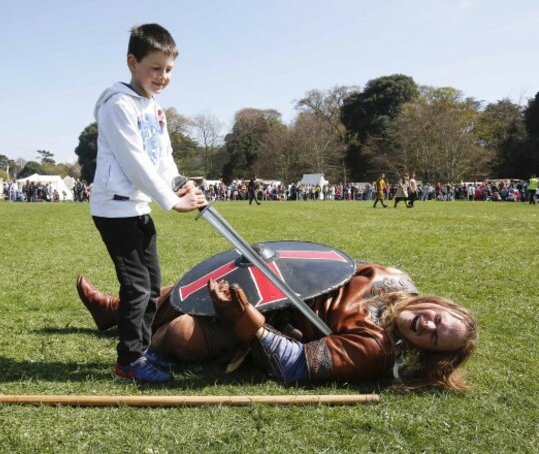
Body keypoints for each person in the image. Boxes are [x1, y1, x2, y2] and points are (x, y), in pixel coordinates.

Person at [77, 261, 477, 391]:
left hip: (271, 325)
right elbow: (324, 267)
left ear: (428, 352)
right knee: (205, 282)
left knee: (178, 334)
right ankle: (117, 310)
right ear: (438, 305)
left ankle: (135, 323)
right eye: (439, 319)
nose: (428, 326)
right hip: (279, 287)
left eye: (436, 339)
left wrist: (246, 321)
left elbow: (298, 364)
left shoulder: (376, 348)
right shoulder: (398, 280)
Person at [80, 23, 208, 383]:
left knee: (152, 285)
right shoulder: (118, 105)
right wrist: (171, 202)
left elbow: (161, 158)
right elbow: (135, 161)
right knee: (136, 286)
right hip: (114, 208)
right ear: (132, 62)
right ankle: (130, 361)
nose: (163, 77)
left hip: (137, 207)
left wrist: (180, 184)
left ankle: (144, 347)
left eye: (169, 70)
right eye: (155, 68)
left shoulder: (155, 109)